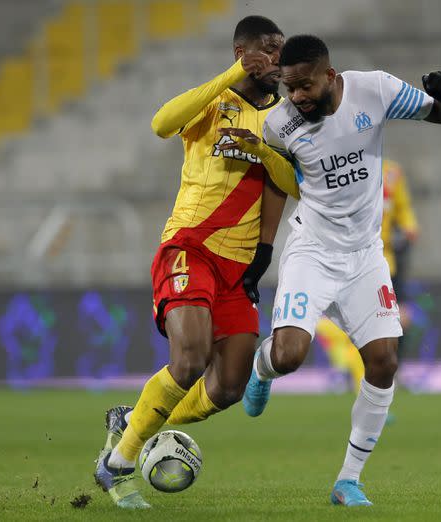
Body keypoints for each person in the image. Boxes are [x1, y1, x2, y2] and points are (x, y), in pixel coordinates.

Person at [220, 34, 441, 506]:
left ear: (330, 75)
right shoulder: (280, 125)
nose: (297, 98)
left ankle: (348, 480)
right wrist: (264, 248)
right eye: (290, 88)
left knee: (385, 361)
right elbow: (275, 179)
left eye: (305, 86)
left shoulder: (377, 90)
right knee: (289, 355)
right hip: (313, 249)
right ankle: (262, 373)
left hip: (366, 255)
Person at [93, 16, 299, 509]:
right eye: (268, 50)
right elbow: (161, 124)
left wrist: (262, 157)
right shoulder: (212, 101)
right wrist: (230, 78)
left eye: (281, 49)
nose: (277, 59)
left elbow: (294, 185)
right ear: (242, 53)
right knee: (187, 361)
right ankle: (118, 464)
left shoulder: (285, 119)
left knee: (228, 385)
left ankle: (131, 420)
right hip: (189, 247)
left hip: (238, 267)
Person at [317, 159, 419, 393]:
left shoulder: (392, 172)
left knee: (396, 319)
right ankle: (347, 370)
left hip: (386, 262)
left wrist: (409, 226)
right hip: (351, 259)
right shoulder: (345, 166)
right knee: (347, 320)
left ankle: (392, 372)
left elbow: (402, 209)